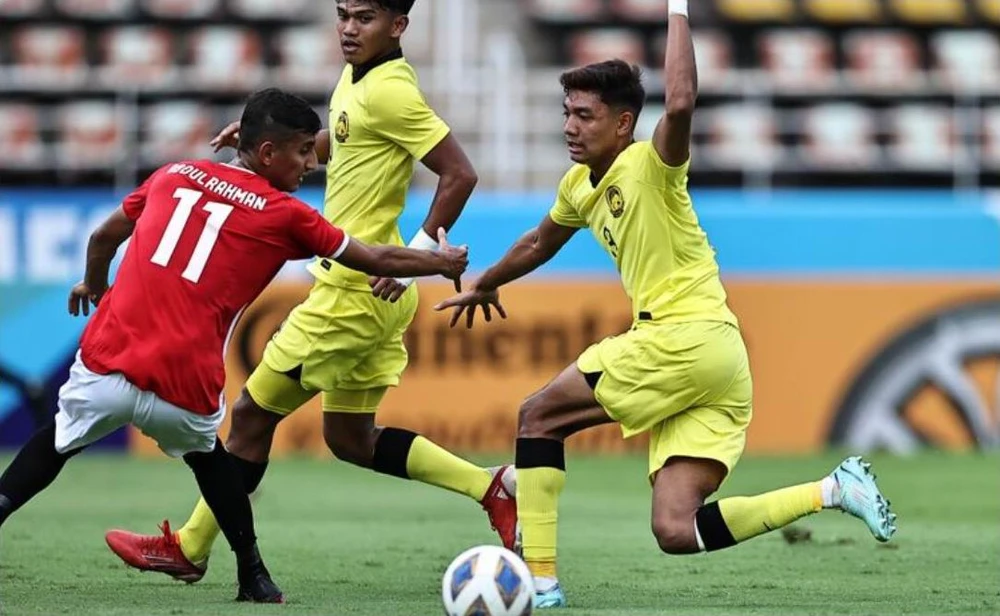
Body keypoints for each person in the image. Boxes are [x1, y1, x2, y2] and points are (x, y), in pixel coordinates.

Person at [434, 1, 897, 609]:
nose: (569, 126)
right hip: (719, 355)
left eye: (584, 115)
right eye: (566, 113)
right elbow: (539, 241)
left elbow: (679, 103)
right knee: (676, 530)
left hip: (681, 336)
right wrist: (489, 280)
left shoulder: (650, 165)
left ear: (624, 123)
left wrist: (676, 8)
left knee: (537, 418)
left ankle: (539, 581)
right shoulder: (579, 185)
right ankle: (834, 491)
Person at [0, 88, 468, 605]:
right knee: (217, 461)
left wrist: (93, 284)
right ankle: (254, 576)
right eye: (302, 151)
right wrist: (440, 263)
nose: (312, 163)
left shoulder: (173, 173)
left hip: (108, 363)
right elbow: (374, 259)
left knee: (54, 442)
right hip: (184, 385)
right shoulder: (286, 214)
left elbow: (104, 236)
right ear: (267, 153)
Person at [105, 0, 515, 583]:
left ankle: (190, 549)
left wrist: (416, 255)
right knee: (350, 437)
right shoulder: (360, 77)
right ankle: (492, 487)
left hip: (353, 292)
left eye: (365, 17)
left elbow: (460, 172)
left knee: (249, 416)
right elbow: (348, 139)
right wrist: (262, 140)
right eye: (343, 14)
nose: (349, 28)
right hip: (369, 298)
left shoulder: (391, 91)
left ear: (398, 26)